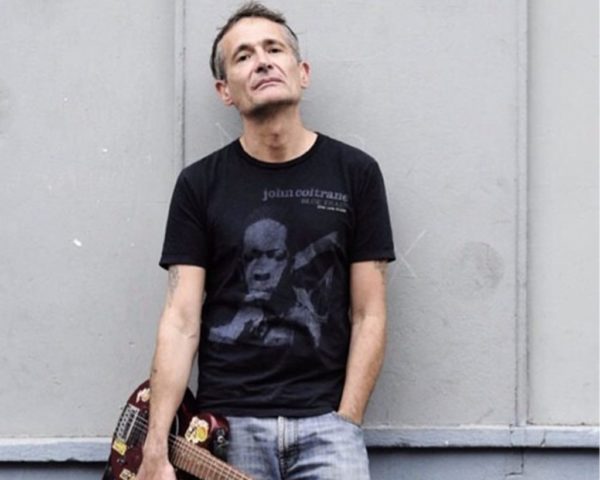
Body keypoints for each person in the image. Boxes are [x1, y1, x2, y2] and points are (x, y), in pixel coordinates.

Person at [137, 2, 395, 479]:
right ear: (224, 90)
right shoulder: (200, 185)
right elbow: (181, 320)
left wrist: (347, 420)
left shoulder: (356, 174)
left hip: (327, 427)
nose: (262, 61)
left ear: (302, 72)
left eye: (274, 49)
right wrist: (155, 448)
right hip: (227, 428)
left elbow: (369, 313)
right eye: (243, 56)